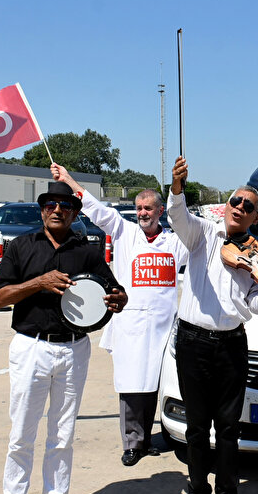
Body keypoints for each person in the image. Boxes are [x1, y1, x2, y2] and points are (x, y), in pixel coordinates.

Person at [0, 182, 128, 494]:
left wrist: (118, 298)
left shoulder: (88, 251)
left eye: (65, 205)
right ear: (42, 210)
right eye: (51, 204)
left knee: (62, 432)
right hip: (31, 346)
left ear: (75, 213)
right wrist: (39, 282)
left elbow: (113, 292)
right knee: (22, 431)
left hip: (73, 348)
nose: (57, 210)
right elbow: (1, 297)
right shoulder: (22, 247)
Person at [166, 155, 258, 494]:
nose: (239, 208)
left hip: (230, 344)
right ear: (226, 206)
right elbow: (177, 216)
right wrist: (177, 187)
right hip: (192, 341)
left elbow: (257, 306)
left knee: (227, 427)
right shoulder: (203, 235)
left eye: (248, 206)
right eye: (235, 201)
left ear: (257, 217)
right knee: (195, 425)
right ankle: (197, 493)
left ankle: (228, 493)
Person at [51, 163, 187, 466]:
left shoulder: (174, 242)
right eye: (139, 208)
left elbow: (202, 246)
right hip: (132, 324)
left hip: (165, 326)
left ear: (161, 210)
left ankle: (152, 437)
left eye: (148, 208)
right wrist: (68, 179)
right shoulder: (123, 231)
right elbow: (91, 204)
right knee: (131, 384)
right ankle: (132, 443)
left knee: (158, 383)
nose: (142, 213)